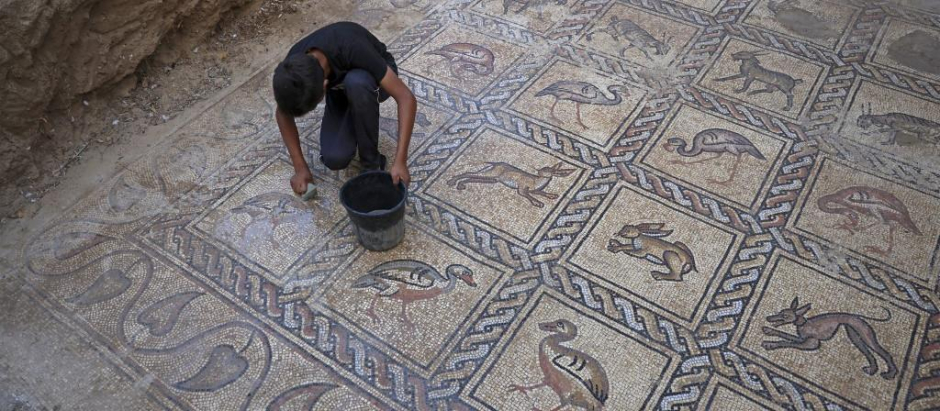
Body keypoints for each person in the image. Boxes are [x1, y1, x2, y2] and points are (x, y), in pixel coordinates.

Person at [272, 21, 416, 194]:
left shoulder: (351, 46)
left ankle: (371, 164)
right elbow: (282, 114)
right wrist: (300, 168)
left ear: (324, 86)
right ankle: (354, 113)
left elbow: (406, 98)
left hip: (377, 79)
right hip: (341, 91)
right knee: (335, 158)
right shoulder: (293, 66)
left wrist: (400, 161)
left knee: (356, 82)